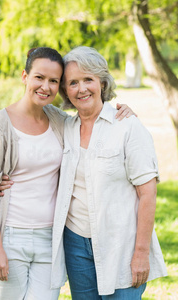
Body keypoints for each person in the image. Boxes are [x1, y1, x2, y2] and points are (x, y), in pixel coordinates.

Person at [0, 46, 134, 300]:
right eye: (39, 77)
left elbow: (92, 118)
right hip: (10, 236)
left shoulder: (59, 120)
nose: (46, 86)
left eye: (54, 81)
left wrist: (122, 111)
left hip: (50, 239)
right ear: (25, 76)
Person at [50, 46, 167, 299]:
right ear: (65, 91)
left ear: (102, 82)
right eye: (73, 83)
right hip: (75, 243)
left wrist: (141, 253)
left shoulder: (127, 126)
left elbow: (147, 194)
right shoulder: (64, 127)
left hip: (121, 243)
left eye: (88, 80)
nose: (81, 89)